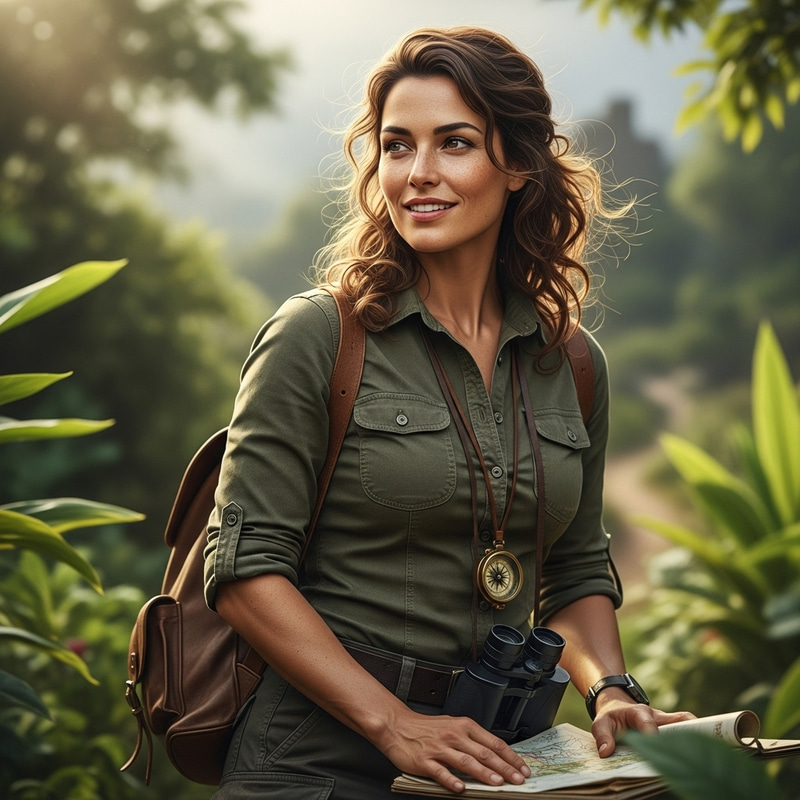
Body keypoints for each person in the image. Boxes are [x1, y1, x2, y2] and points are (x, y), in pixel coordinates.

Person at [203, 25, 692, 799]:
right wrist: (393, 723)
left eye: (454, 143)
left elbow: (572, 571)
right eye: (397, 147)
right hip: (315, 759)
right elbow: (240, 571)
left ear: (520, 165)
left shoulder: (571, 363)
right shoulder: (318, 335)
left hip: (497, 761)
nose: (418, 174)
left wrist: (611, 689)